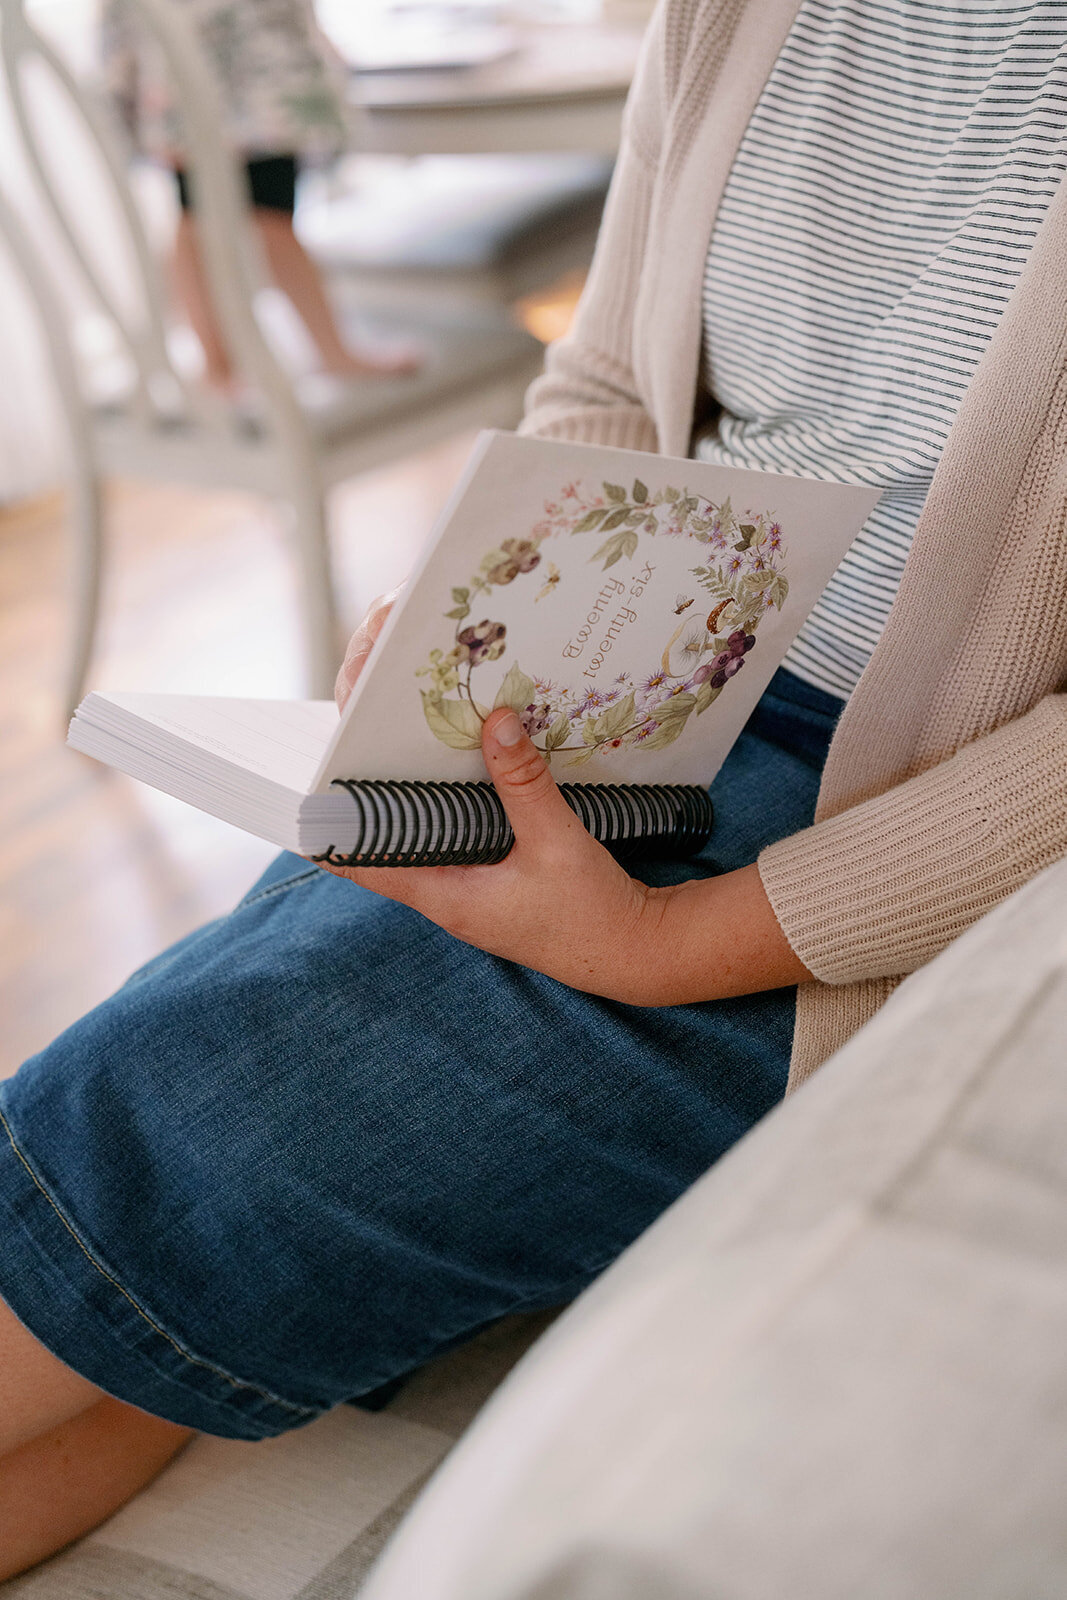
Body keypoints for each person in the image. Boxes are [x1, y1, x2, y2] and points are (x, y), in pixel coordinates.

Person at [3, 0, 1067, 1576]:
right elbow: (615, 381)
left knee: (146, 1135)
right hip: (632, 715)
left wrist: (674, 947)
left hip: (876, 792)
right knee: (155, 1135)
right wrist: (487, 600)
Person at [103, 0, 418, 389]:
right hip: (235, 70)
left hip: (213, 69)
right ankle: (246, 362)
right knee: (243, 216)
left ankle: (225, 365)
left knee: (213, 213)